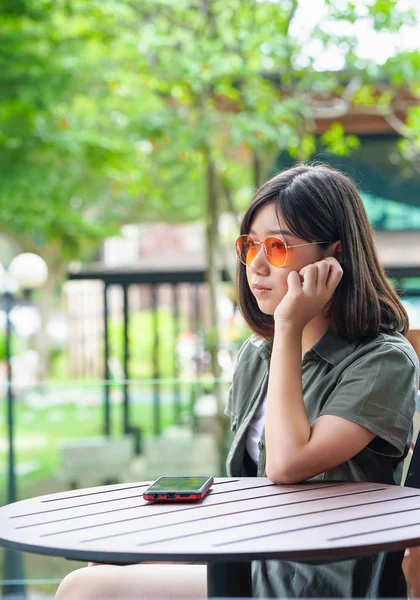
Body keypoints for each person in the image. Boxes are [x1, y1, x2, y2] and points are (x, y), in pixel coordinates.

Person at [55, 163, 419, 599]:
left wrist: (287, 326)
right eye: (250, 246)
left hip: (318, 579)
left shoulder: (383, 360)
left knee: (85, 589)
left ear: (333, 256)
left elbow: (287, 464)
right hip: (251, 551)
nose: (257, 264)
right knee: (108, 558)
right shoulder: (257, 353)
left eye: (278, 247)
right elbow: (253, 484)